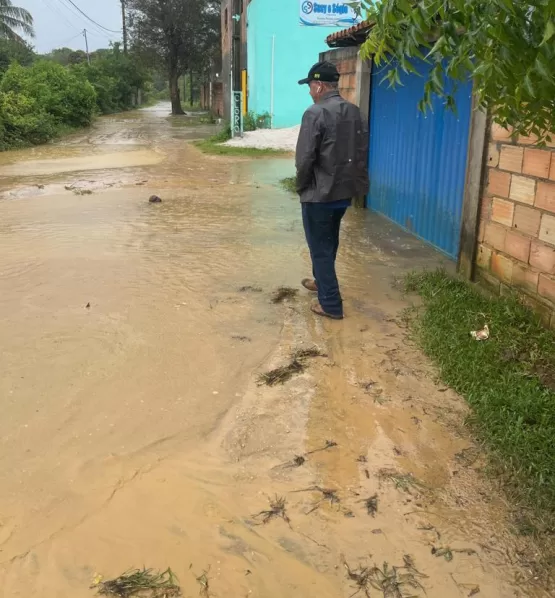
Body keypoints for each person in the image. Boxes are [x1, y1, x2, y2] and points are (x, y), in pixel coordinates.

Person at [296, 61, 369, 320]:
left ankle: (330, 304)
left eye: (310, 87)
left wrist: (301, 186)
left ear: (318, 86)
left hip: (319, 195)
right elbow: (360, 153)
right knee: (329, 241)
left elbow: (305, 158)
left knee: (320, 248)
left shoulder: (315, 113)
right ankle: (321, 282)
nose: (309, 92)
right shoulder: (354, 111)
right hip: (343, 194)